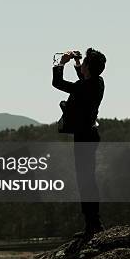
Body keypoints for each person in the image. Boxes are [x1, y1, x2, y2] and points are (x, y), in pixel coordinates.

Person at [52, 48, 106, 237]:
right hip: (91, 134)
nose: (81, 65)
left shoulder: (84, 87)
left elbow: (57, 82)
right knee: (88, 179)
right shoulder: (98, 82)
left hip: (84, 137)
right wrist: (76, 63)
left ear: (89, 68)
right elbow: (85, 80)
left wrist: (61, 63)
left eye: (84, 63)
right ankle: (93, 223)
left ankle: (93, 225)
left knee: (85, 181)